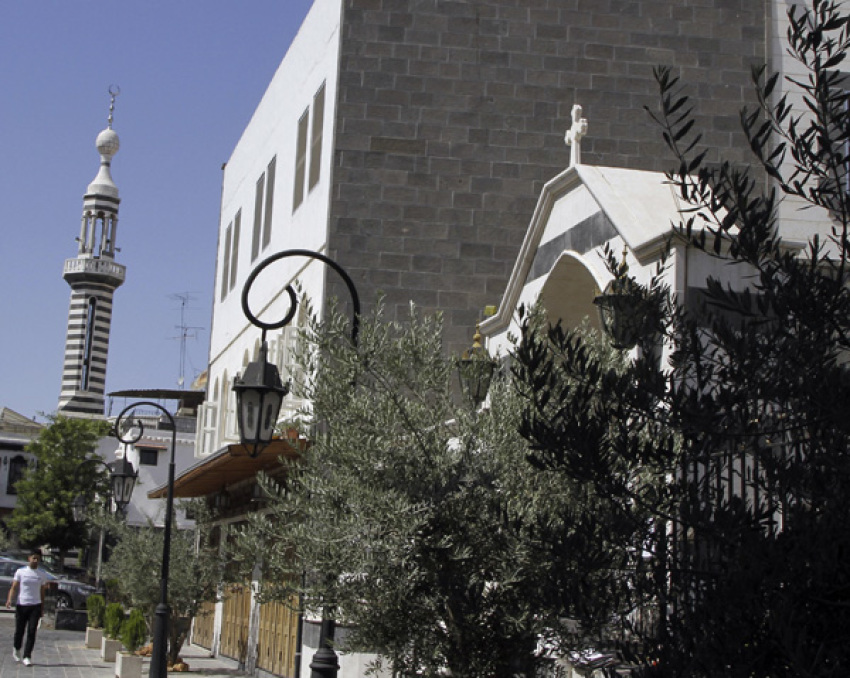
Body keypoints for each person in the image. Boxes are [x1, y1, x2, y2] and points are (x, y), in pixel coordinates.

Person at [5, 548, 51, 666]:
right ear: (29, 558)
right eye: (34, 558)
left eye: (38, 559)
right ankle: (16, 648)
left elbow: (42, 592)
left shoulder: (42, 574)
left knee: (31, 631)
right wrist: (9, 600)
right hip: (22, 604)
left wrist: (42, 607)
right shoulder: (21, 572)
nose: (35, 561)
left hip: (35, 605)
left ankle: (27, 656)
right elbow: (14, 587)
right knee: (19, 631)